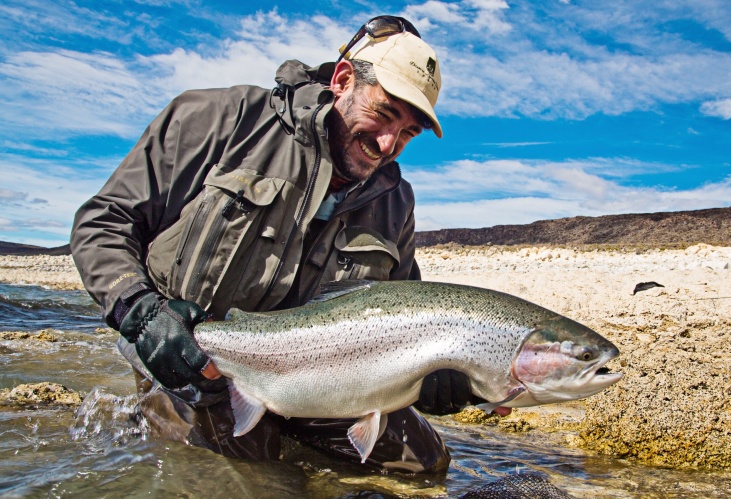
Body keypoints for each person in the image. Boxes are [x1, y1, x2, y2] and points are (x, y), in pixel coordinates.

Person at [71, 15, 494, 473]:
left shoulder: (396, 201)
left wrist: (433, 377)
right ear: (343, 80)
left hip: (323, 381)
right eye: (384, 113)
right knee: (250, 482)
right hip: (199, 367)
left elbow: (408, 311)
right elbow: (103, 222)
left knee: (424, 466)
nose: (388, 143)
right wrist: (143, 313)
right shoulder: (220, 119)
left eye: (408, 132)